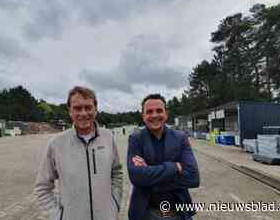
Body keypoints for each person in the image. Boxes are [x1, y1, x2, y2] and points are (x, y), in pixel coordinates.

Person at [35, 86, 123, 220]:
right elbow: (42, 187)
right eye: (77, 108)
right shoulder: (56, 144)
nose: (83, 113)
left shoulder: (108, 137)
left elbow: (116, 172)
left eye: (88, 107)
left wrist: (114, 204)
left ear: (96, 109)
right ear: (70, 111)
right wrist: (58, 217)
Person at [127, 94, 200, 220]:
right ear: (143, 116)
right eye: (149, 112)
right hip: (147, 211)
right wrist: (174, 167)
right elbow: (136, 176)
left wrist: (150, 177)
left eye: (159, 111)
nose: (155, 115)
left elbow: (193, 178)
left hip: (178, 212)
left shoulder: (180, 138)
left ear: (166, 114)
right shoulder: (136, 139)